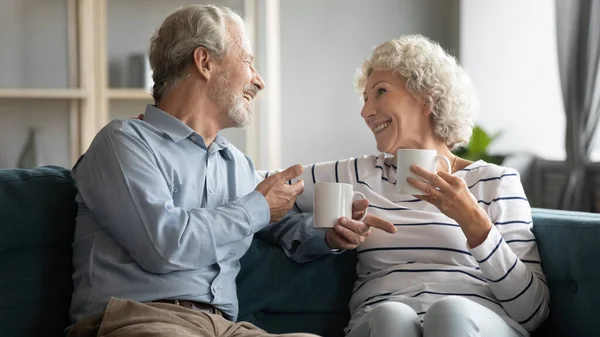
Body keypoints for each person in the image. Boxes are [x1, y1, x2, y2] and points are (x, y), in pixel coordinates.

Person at [66, 5, 395, 337]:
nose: (259, 81)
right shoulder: (123, 143)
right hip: (141, 319)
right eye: (249, 61)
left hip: (223, 327)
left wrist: (329, 233)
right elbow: (164, 245)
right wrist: (259, 205)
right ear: (204, 62)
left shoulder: (236, 163)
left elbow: (279, 224)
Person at [279, 35, 549, 337]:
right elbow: (265, 186)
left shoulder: (495, 182)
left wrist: (475, 224)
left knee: (450, 311)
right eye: (365, 98)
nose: (365, 111)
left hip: (475, 324)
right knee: (391, 316)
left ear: (426, 100)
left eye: (380, 92)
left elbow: (532, 311)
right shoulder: (356, 174)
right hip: (379, 323)